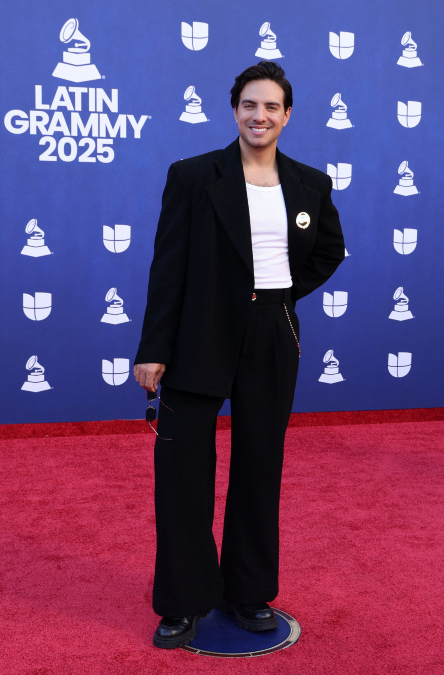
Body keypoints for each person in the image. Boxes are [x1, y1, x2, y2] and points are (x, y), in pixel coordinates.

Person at [134, 61, 345, 649]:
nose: (260, 115)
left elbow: (329, 251)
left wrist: (280, 295)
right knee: (182, 472)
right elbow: (168, 267)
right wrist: (153, 348)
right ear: (234, 111)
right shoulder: (193, 176)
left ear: (287, 115)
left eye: (272, 106)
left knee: (259, 465)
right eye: (250, 105)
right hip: (197, 332)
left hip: (271, 333)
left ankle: (248, 592)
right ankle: (182, 601)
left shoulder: (311, 183)